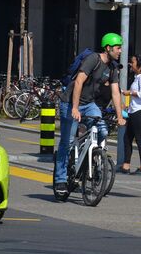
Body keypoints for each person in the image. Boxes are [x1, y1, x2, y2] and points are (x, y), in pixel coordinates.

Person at [53, 32, 126, 197]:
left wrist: (120, 116)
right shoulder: (93, 59)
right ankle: (60, 180)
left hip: (90, 104)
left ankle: (92, 156)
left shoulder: (113, 68)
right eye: (117, 48)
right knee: (68, 142)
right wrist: (75, 108)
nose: (120, 51)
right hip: (70, 102)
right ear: (108, 48)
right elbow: (78, 81)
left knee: (103, 131)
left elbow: (116, 93)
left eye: (121, 48)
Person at [120, 54, 141, 176]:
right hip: (133, 111)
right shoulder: (137, 77)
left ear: (139, 64)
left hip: (139, 112)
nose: (130, 64)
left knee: (139, 139)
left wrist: (129, 93)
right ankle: (126, 165)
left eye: (132, 62)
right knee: (127, 138)